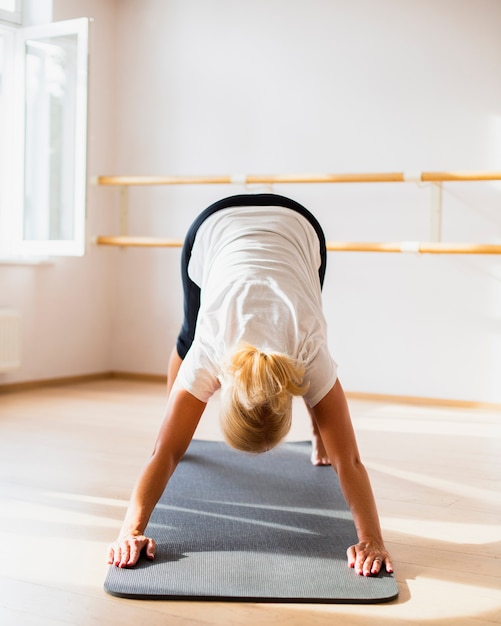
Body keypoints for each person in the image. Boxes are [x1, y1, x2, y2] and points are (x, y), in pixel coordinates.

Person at [107, 193, 393, 577]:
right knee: (188, 337)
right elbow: (164, 453)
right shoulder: (209, 350)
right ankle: (174, 416)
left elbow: (350, 462)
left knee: (306, 334)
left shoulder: (304, 348)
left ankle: (319, 433)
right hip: (214, 229)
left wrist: (373, 538)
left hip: (300, 231)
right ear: (220, 391)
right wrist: (131, 531)